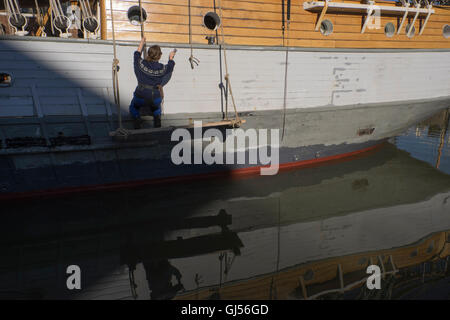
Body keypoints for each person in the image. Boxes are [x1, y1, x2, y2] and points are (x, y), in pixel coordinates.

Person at [129, 37, 176, 128]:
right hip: (155, 97)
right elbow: (170, 66)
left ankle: (137, 118)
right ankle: (157, 119)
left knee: (133, 106)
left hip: (141, 96)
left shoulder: (140, 64)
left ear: (148, 54)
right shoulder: (162, 68)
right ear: (159, 56)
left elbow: (137, 54)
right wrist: (171, 57)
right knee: (156, 107)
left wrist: (142, 42)